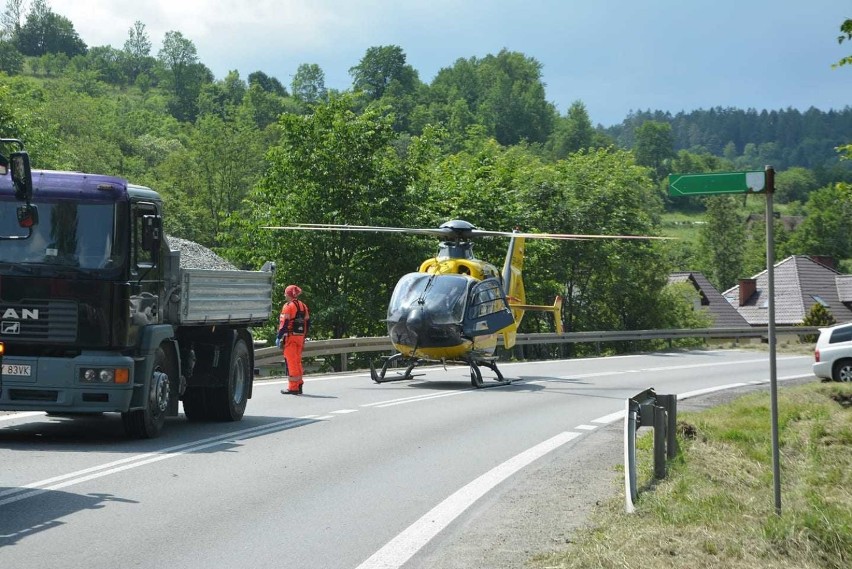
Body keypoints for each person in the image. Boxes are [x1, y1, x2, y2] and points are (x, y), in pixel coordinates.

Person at [277, 284, 310, 395]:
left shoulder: (288, 306)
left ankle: (293, 388)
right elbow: (307, 322)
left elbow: (284, 323)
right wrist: (304, 335)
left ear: (289, 294)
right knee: (297, 361)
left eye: (286, 293)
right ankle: (299, 384)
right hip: (300, 337)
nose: (284, 295)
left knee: (291, 362)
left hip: (290, 337)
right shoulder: (303, 306)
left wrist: (279, 336)